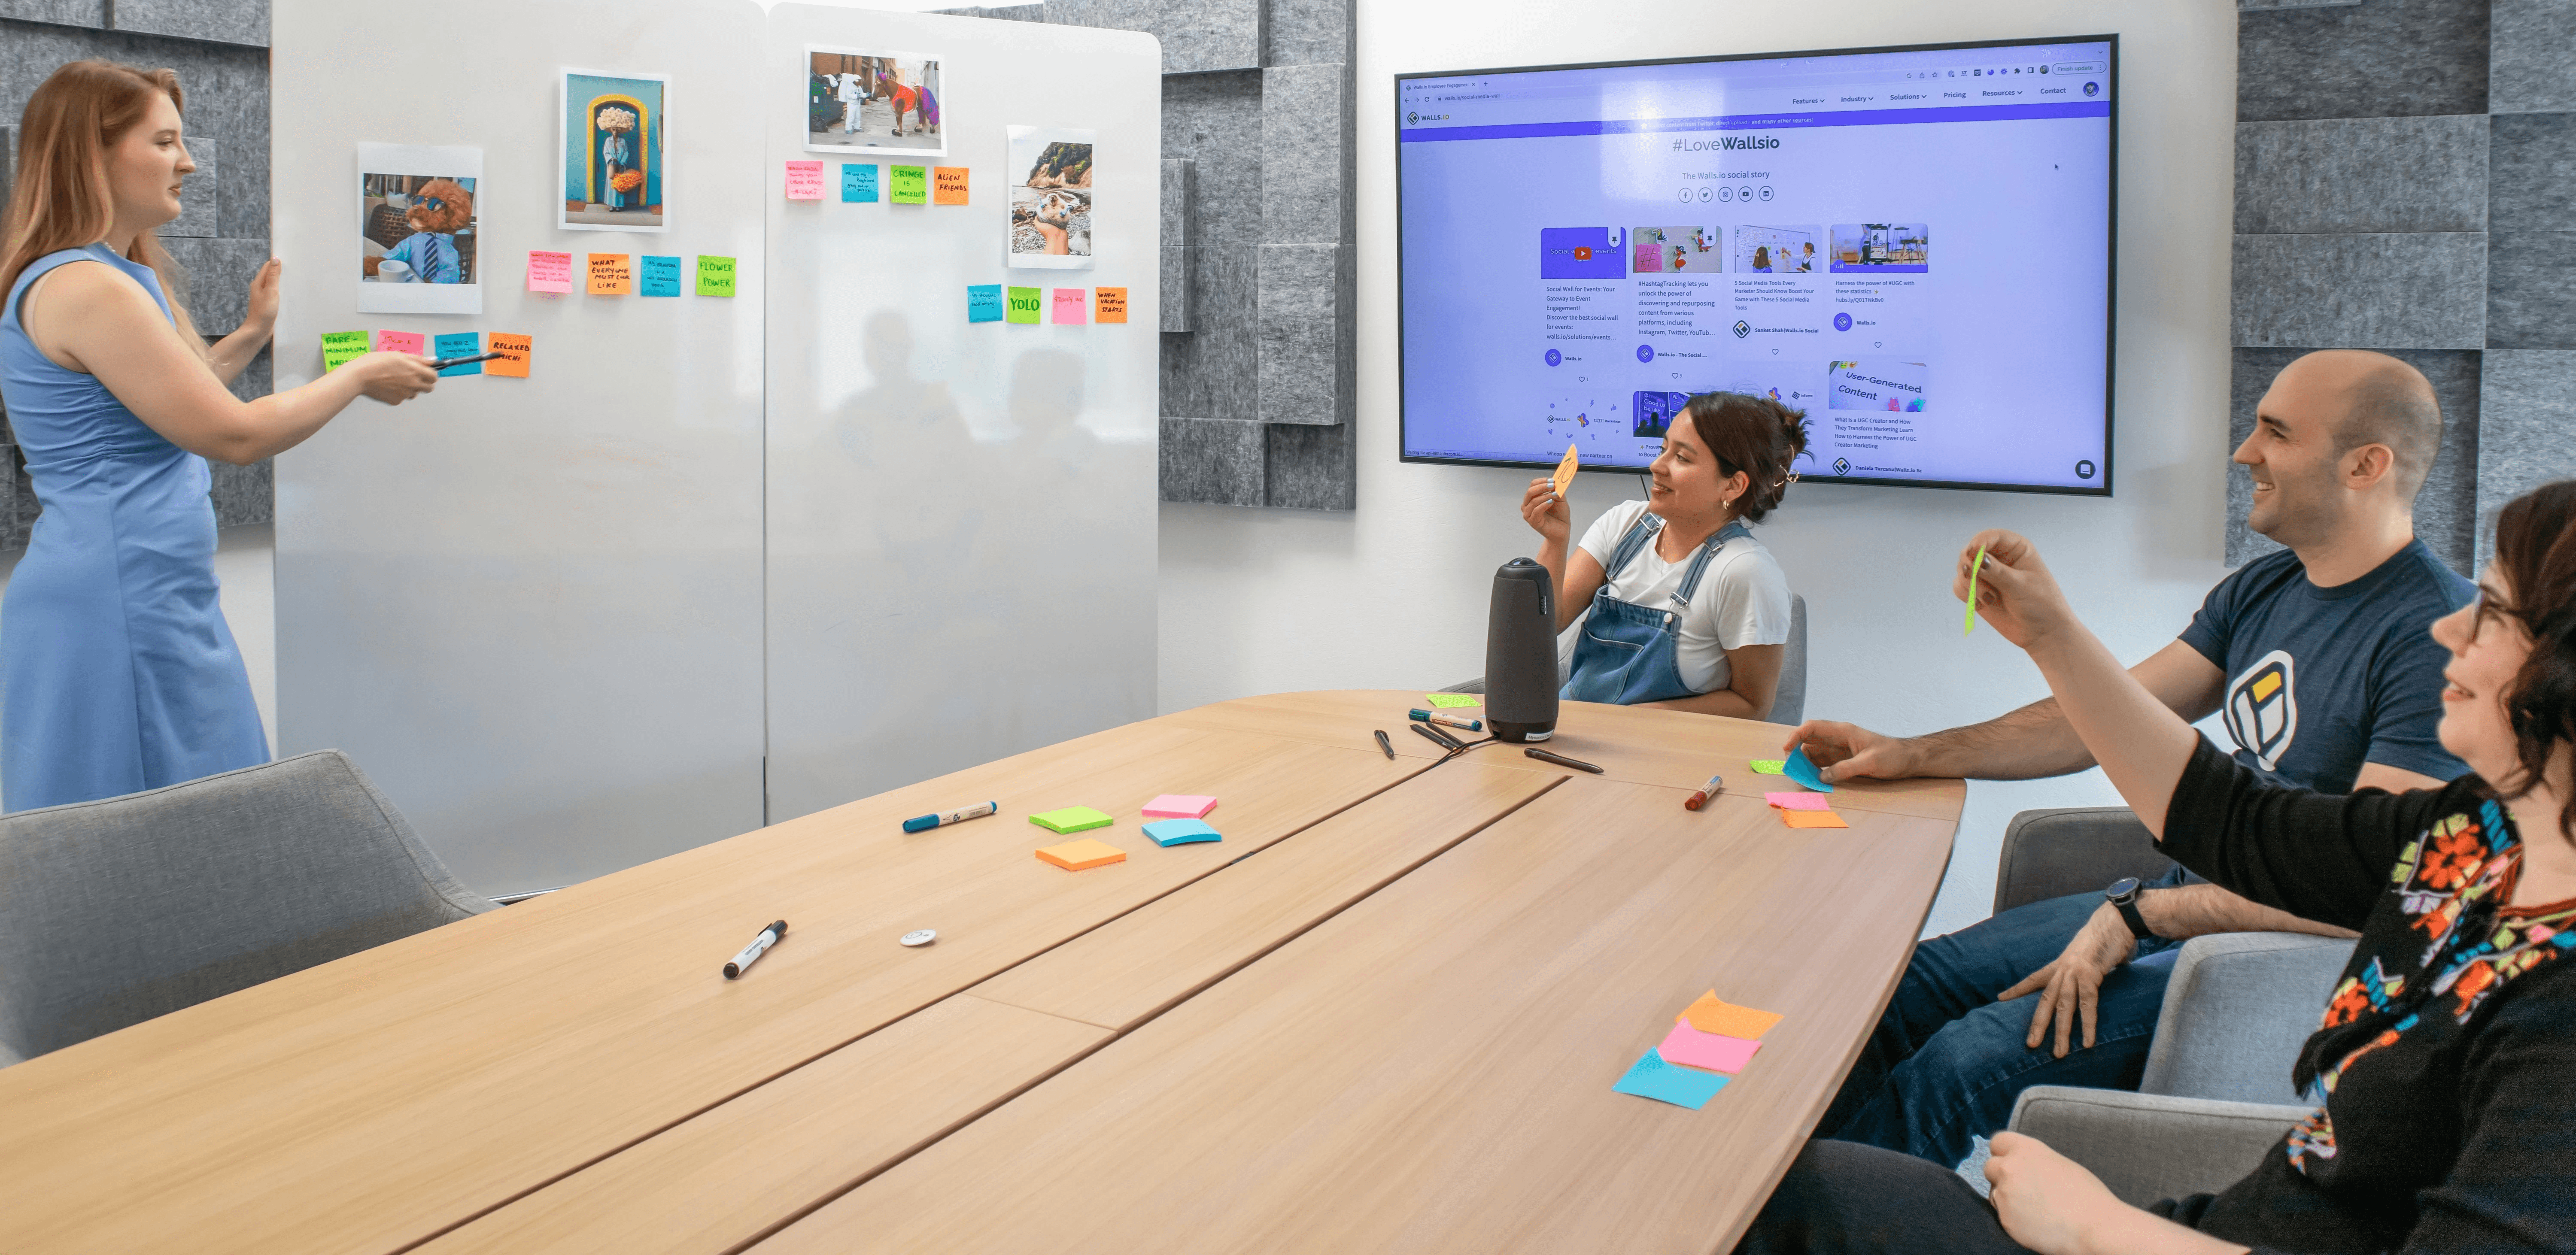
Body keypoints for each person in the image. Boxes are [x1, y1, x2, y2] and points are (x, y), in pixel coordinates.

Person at [1735, 481, 2576, 1255]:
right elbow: (2231, 817)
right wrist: (2051, 634)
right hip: (2213, 1225)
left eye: (2495, 614)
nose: (2451, 629)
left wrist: (2098, 1228)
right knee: (1796, 1190)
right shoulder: (2472, 834)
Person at [1790, 350, 2476, 1170]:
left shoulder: (2437, 640)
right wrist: (1915, 751)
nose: (2243, 451)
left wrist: (2143, 915)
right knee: (1901, 990)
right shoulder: (2263, 589)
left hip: (2275, 960)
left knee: (1962, 1062)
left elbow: (2378, 893)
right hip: (2184, 899)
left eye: (2275, 432)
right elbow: (2099, 720)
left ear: (2366, 465)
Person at [0, 60, 437, 813]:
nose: (190, 161)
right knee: (157, 854)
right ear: (92, 153)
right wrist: (360, 375)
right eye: (165, 141)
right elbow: (230, 433)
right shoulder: (86, 286)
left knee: (193, 841)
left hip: (144, 594)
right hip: (118, 607)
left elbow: (170, 402)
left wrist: (249, 335)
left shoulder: (102, 276)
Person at [1519, 391, 1807, 719]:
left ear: (1733, 486)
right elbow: (1541, 628)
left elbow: (1753, 705)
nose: (1656, 465)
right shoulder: (1624, 524)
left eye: (1682, 458)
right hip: (1574, 730)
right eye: (1663, 449)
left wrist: (1634, 721)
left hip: (1658, 752)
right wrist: (1555, 541)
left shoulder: (1745, 572)